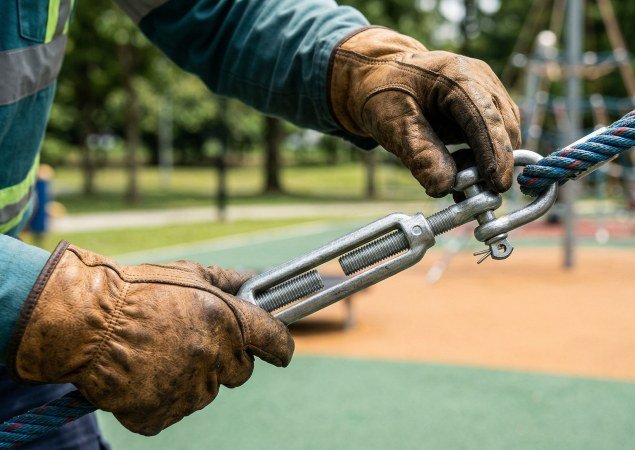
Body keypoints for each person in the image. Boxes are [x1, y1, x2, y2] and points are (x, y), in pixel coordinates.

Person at [0, 0, 521, 447]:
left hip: (19, 355)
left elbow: (222, 11)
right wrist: (75, 311)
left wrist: (358, 63)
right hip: (29, 315)